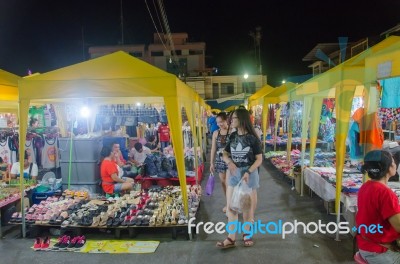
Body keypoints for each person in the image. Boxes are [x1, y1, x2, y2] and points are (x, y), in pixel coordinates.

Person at [217, 108, 263, 248]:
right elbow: (224, 154)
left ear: (242, 119)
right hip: (234, 174)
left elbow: (259, 159)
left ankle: (246, 234)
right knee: (231, 206)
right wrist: (229, 162)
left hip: (248, 175)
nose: (232, 121)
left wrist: (248, 172)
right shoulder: (232, 136)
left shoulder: (253, 139)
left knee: (247, 209)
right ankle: (231, 238)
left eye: (234, 118)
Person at [356, 150, 400, 263]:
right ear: (389, 168)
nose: (396, 164)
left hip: (365, 245)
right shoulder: (385, 193)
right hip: (378, 252)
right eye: (394, 162)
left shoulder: (365, 186)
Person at [210, 112, 231, 213]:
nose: (220, 124)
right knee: (223, 182)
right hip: (219, 160)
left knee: (229, 183)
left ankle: (230, 206)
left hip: (231, 161)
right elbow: (213, 149)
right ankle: (228, 203)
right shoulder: (215, 133)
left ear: (226, 120)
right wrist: (211, 163)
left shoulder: (232, 131)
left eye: (221, 122)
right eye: (218, 122)